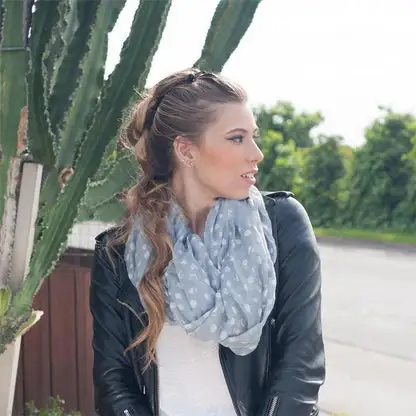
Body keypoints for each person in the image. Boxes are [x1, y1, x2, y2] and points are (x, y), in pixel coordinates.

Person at [89, 68, 325, 416]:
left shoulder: (281, 224)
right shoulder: (119, 252)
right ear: (186, 150)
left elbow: (300, 366)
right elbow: (114, 382)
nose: (256, 153)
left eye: (253, 136)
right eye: (237, 138)